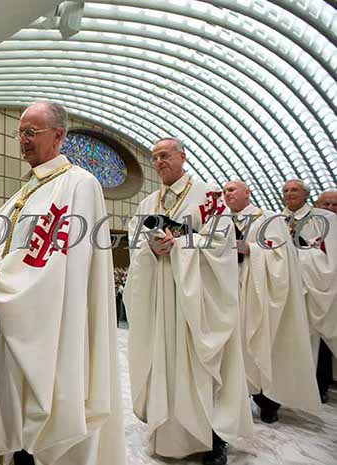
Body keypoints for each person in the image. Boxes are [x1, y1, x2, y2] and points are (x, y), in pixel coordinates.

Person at [0, 101, 126, 465]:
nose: (23, 140)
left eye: (31, 132)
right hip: (6, 324)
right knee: (7, 423)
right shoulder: (22, 194)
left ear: (58, 135)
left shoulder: (79, 185)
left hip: (49, 328)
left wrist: (2, 284)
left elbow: (62, 263)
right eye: (20, 133)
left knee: (36, 429)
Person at [124, 138, 251, 465]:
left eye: (165, 155)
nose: (159, 162)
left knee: (200, 366)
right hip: (160, 297)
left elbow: (222, 243)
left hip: (198, 300)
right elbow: (135, 243)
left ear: (182, 156)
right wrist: (151, 248)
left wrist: (179, 245)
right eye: (154, 157)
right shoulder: (148, 203)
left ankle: (213, 439)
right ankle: (169, 431)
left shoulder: (209, 196)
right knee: (165, 362)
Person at [223, 181, 320, 423]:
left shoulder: (268, 219)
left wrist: (251, 249)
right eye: (224, 191)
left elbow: (282, 255)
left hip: (259, 292)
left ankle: (267, 402)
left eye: (232, 190)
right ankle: (237, 396)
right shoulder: (221, 221)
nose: (227, 194)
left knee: (263, 342)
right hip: (229, 290)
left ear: (248, 193)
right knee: (234, 347)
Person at [282, 180, 337, 403]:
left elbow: (329, 256)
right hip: (286, 287)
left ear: (306, 195)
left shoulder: (324, 219)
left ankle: (316, 387)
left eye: (295, 190)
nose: (290, 194)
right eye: (286, 190)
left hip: (314, 286)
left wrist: (298, 255)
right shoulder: (276, 220)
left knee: (316, 341)